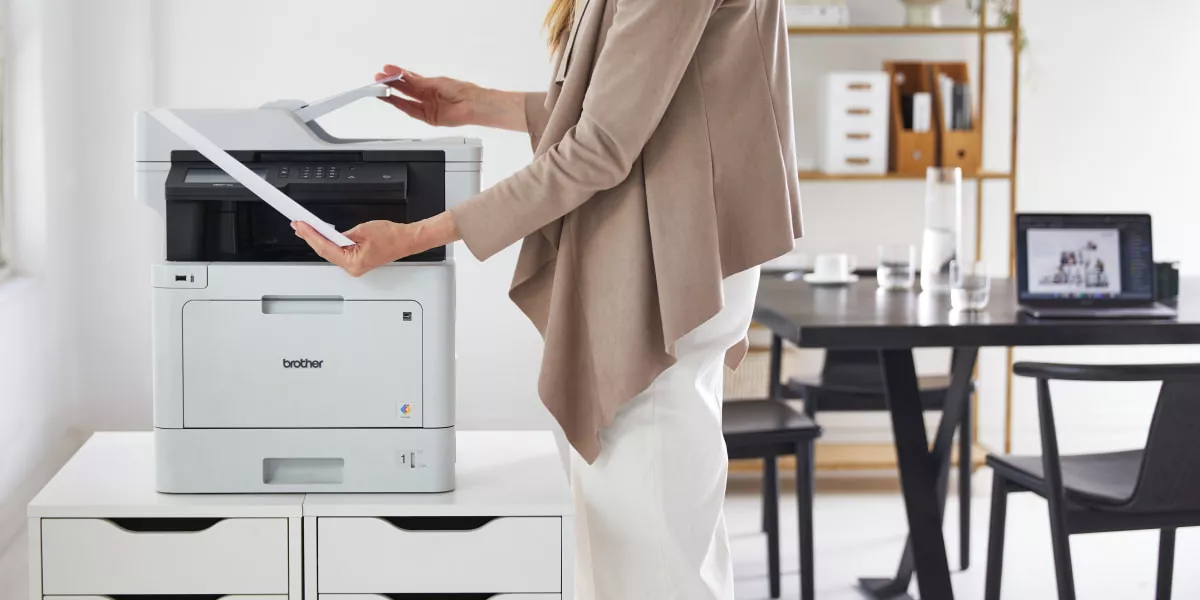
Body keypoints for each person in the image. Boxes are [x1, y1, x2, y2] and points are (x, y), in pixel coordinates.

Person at [294, 1, 803, 597]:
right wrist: (477, 103)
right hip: (667, 245)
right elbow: (641, 102)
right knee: (644, 527)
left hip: (668, 258)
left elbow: (601, 145)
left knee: (647, 543)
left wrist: (416, 236)